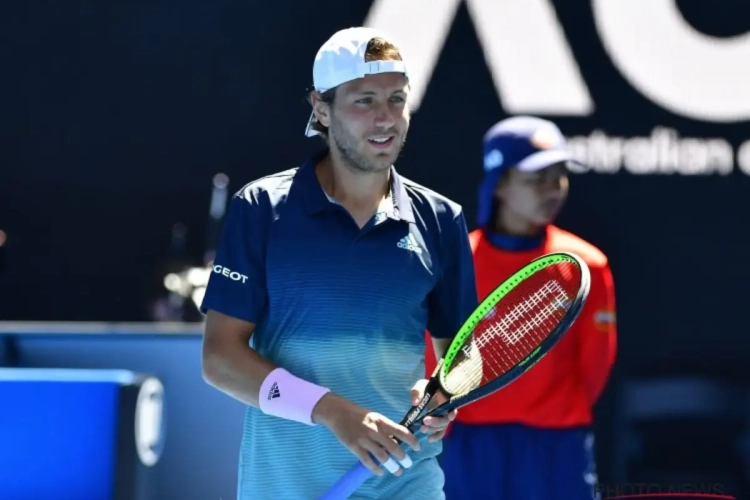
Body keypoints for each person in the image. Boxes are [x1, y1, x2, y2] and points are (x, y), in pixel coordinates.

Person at [200, 27, 478, 500]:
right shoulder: (262, 208)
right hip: (286, 486)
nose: (385, 118)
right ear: (321, 109)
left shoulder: (441, 219)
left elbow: (464, 355)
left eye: (397, 98)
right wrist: (331, 410)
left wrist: (444, 391)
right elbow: (220, 359)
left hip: (406, 484)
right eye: (364, 100)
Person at [425, 116, 618, 500]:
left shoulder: (588, 265)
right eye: (536, 179)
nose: (552, 191)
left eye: (558, 177)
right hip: (470, 446)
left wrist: (555, 412)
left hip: (558, 447)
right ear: (500, 183)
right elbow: (434, 363)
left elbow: (595, 365)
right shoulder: (455, 263)